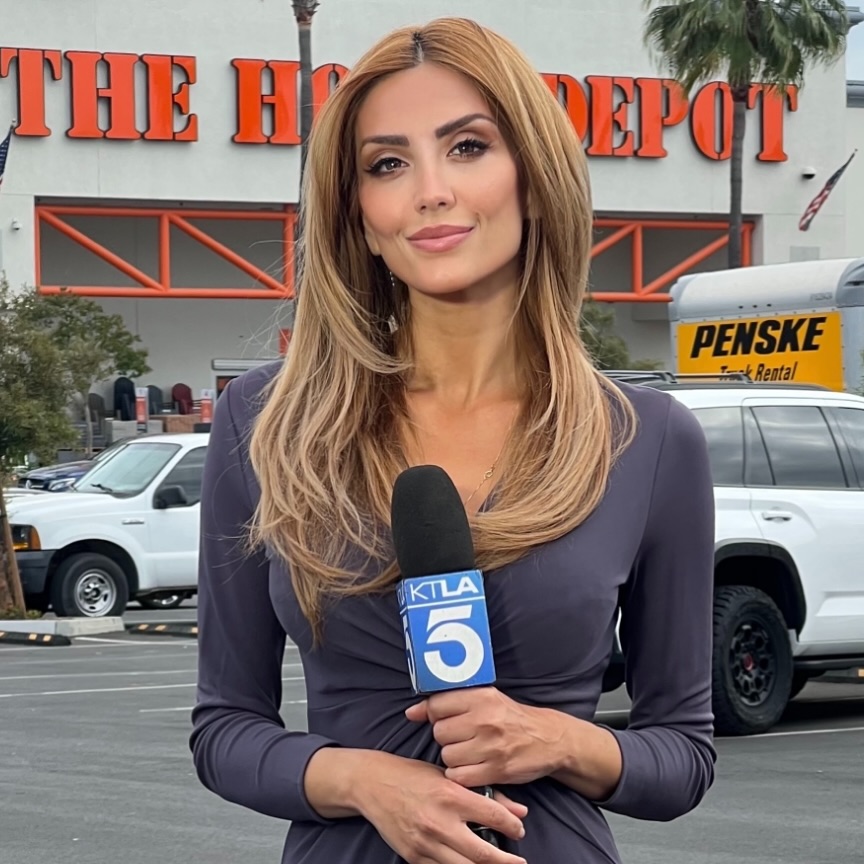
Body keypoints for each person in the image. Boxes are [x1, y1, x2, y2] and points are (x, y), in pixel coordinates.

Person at [190, 16, 716, 864]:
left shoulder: (648, 440)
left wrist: (556, 740)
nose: (430, 190)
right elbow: (223, 732)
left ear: (533, 179)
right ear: (358, 214)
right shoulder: (265, 423)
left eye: (467, 147)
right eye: (388, 164)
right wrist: (359, 780)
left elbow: (683, 757)